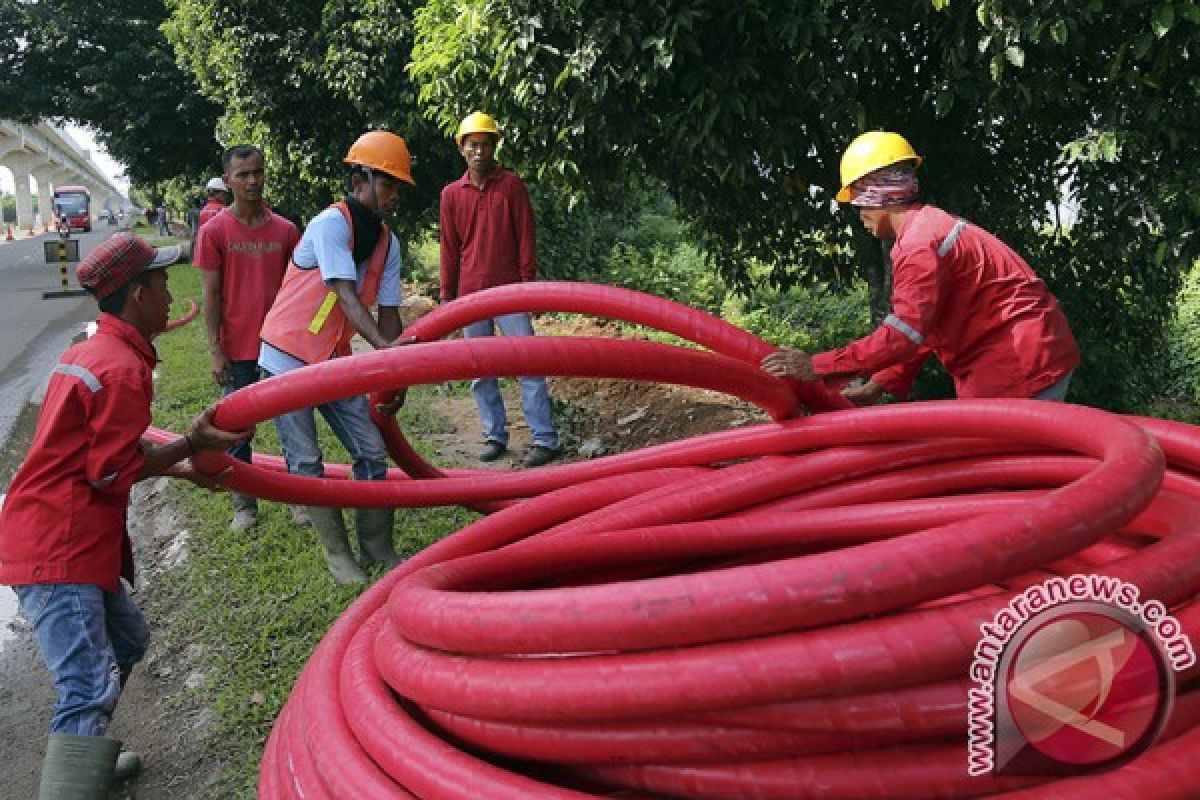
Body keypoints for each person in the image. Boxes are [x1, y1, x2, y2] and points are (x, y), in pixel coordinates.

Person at [0, 232, 252, 799]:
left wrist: (181, 467)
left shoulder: (97, 352)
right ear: (137, 294)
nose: (169, 295)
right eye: (162, 285)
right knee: (87, 683)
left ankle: (84, 755)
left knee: (128, 642)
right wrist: (189, 444)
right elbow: (107, 474)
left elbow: (99, 453)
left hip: (61, 534)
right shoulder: (119, 370)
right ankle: (70, 780)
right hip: (56, 547)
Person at [761, 131, 1079, 404]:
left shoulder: (917, 245)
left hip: (1017, 362)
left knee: (991, 470)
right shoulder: (929, 227)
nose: (859, 216)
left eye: (857, 203)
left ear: (877, 196)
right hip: (1028, 352)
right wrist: (878, 385)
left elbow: (902, 336)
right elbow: (924, 326)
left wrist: (817, 366)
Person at [258, 130, 414, 584]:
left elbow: (389, 315)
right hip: (287, 359)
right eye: (387, 184)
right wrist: (385, 353)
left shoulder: (388, 243)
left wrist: (395, 375)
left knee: (371, 452)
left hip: (332, 359)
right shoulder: (330, 225)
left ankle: (378, 549)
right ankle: (340, 560)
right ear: (360, 179)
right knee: (305, 463)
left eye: (397, 186)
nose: (394, 195)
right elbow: (345, 295)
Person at [439, 111, 560, 467]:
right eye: (473, 145)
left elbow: (526, 236)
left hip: (511, 293)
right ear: (462, 149)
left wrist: (529, 285)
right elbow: (449, 247)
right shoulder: (451, 195)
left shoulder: (511, 186)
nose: (480, 151)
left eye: (486, 144)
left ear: (495, 147)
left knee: (529, 364)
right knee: (480, 369)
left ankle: (544, 438)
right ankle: (495, 435)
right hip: (470, 294)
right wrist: (448, 297)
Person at [194, 145, 302, 531]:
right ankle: (245, 505)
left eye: (257, 172)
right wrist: (216, 350)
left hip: (282, 347)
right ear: (227, 181)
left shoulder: (287, 231)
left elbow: (301, 288)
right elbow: (210, 295)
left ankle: (298, 498)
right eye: (242, 175)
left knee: (293, 425)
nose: (252, 181)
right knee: (236, 430)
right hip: (237, 347)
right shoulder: (214, 231)